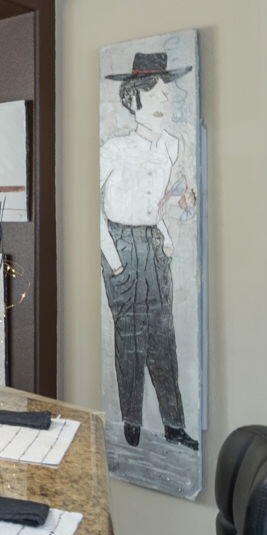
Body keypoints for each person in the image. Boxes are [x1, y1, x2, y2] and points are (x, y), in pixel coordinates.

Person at [98, 51, 197, 449]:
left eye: (166, 96)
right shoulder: (114, 149)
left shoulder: (172, 146)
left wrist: (180, 206)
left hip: (154, 247)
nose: (162, 103)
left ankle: (173, 425)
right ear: (133, 98)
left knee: (163, 335)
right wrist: (116, 260)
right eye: (153, 95)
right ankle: (131, 422)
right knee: (129, 338)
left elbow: (167, 201)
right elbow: (93, 209)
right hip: (120, 245)